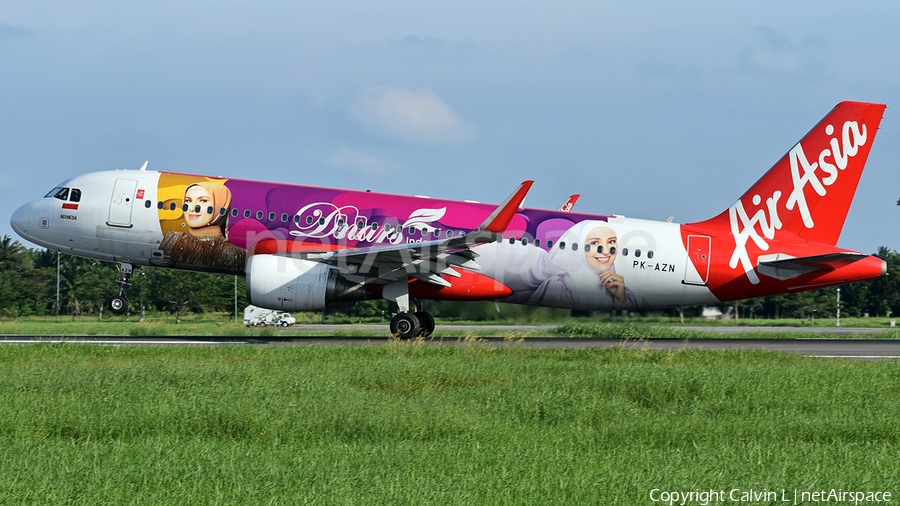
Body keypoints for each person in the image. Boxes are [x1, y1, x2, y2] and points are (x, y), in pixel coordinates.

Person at [527, 220, 635, 309]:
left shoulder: (619, 285)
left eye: (611, 242)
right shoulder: (561, 284)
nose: (606, 251)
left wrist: (621, 297)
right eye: (594, 243)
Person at [156, 181, 246, 274]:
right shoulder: (172, 238)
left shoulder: (234, 253)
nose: (191, 208)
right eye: (188, 201)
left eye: (203, 200)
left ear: (221, 205)